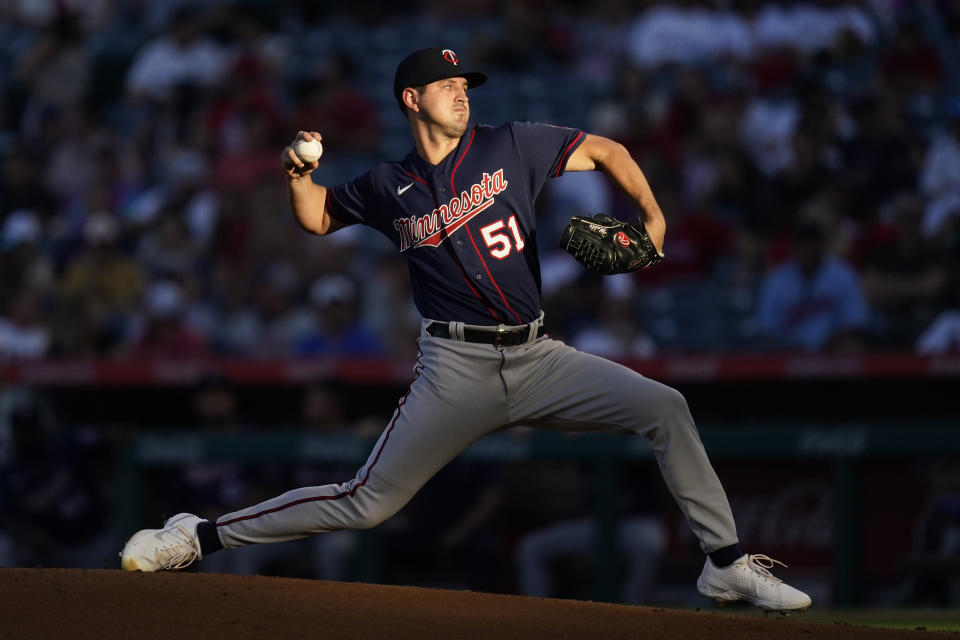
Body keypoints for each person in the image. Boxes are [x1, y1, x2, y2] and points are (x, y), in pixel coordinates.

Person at [120, 47, 811, 612]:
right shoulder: (388, 185)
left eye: (465, 83)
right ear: (411, 100)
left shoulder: (510, 145)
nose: (461, 92)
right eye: (445, 84)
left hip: (539, 356)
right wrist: (297, 172)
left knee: (666, 406)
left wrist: (653, 221)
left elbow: (605, 150)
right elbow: (318, 217)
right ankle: (197, 537)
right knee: (365, 505)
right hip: (455, 368)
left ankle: (724, 564)